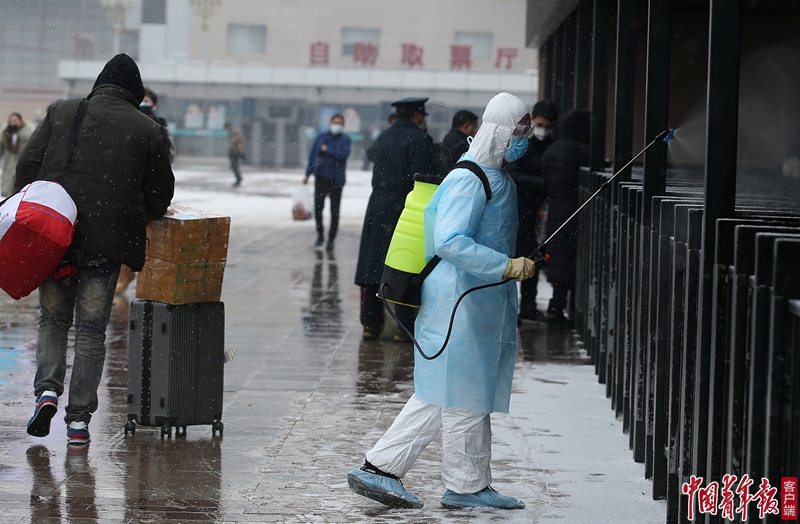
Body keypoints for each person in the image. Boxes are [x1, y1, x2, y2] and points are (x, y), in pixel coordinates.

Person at [347, 92, 535, 510]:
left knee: (446, 392)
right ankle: (462, 486)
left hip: (477, 302)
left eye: (528, 130)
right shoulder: (470, 179)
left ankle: (383, 469)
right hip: (459, 304)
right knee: (463, 393)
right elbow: (450, 242)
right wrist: (504, 266)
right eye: (519, 130)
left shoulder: (495, 176)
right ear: (500, 132)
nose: (526, 138)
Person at [16, 53, 174, 446]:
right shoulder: (147, 129)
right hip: (105, 245)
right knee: (90, 332)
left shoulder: (62, 112)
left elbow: (26, 167)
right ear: (135, 94)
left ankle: (47, 392)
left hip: (58, 238)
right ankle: (79, 421)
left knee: (52, 321)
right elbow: (159, 194)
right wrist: (136, 212)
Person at [354, 97, 437, 341]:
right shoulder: (420, 140)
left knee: (373, 264)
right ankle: (403, 325)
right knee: (404, 264)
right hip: (405, 208)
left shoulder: (384, 137)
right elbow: (425, 179)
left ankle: (370, 323)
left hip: (377, 205)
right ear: (416, 115)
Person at [115, 86, 177, 295]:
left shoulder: (160, 127)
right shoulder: (126, 123)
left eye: (147, 102)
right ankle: (125, 273)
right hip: (127, 189)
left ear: (155, 105)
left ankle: (144, 277)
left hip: (150, 191)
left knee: (150, 236)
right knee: (124, 234)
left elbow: (168, 158)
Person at [508, 100, 558, 322]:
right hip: (519, 211)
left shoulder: (552, 146)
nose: (542, 130)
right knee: (511, 259)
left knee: (533, 259)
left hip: (539, 214)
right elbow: (514, 175)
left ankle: (528, 305)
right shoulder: (522, 143)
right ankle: (512, 307)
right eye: (539, 124)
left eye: (547, 126)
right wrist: (542, 183)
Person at [541, 108, 591, 327]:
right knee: (572, 262)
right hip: (577, 212)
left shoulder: (552, 151)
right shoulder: (583, 152)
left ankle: (557, 305)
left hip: (556, 212)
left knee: (559, 260)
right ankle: (560, 309)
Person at [304, 113, 352, 251]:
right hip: (321, 178)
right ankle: (320, 235)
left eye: (339, 123)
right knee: (318, 208)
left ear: (343, 125)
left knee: (334, 212)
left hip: (337, 179)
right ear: (330, 123)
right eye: (334, 122)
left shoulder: (345, 139)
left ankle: (331, 240)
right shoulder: (321, 137)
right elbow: (313, 155)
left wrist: (328, 150)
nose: (336, 125)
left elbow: (343, 155)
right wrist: (308, 174)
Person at [0, 112, 36, 196]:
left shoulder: (27, 133)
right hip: (9, 161)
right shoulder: (6, 133)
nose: (13, 123)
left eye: (15, 120)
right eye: (11, 121)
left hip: (22, 160)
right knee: (8, 181)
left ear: (20, 121)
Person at [438, 109, 478, 176]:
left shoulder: (449, 138)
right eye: (474, 127)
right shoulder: (464, 146)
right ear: (467, 126)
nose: (476, 131)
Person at [224, 121, 246, 187]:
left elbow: (237, 142)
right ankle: (238, 178)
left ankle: (239, 179)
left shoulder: (235, 132)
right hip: (235, 151)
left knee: (234, 166)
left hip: (236, 151)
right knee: (234, 166)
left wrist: (240, 151)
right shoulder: (233, 132)